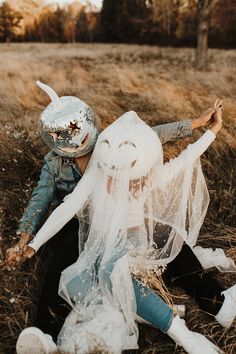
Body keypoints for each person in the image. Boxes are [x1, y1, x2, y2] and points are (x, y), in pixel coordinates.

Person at [5, 81, 216, 344]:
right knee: (60, 268)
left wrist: (197, 123)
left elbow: (154, 135)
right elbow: (41, 199)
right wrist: (27, 240)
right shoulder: (54, 163)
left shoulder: (109, 143)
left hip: (122, 216)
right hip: (79, 223)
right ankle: (45, 332)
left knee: (169, 238)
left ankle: (214, 300)